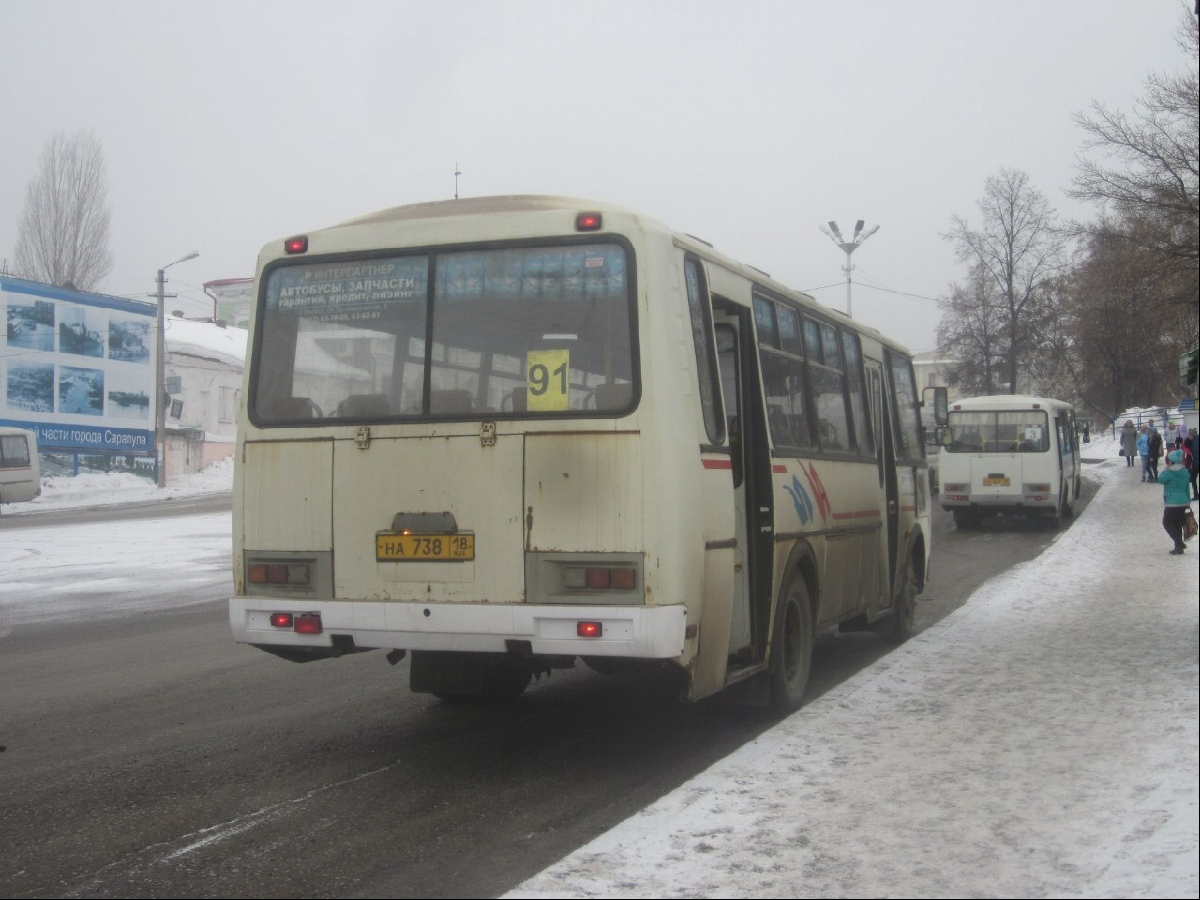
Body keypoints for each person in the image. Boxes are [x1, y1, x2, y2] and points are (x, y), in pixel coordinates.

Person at [1157, 448, 1191, 554]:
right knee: (1177, 524)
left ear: (1170, 461)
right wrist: (1188, 501)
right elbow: (1187, 488)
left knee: (1167, 523)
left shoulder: (1169, 472)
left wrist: (1165, 468)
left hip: (1172, 502)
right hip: (1183, 501)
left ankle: (1179, 543)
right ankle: (1178, 547)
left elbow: (1160, 479)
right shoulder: (1185, 472)